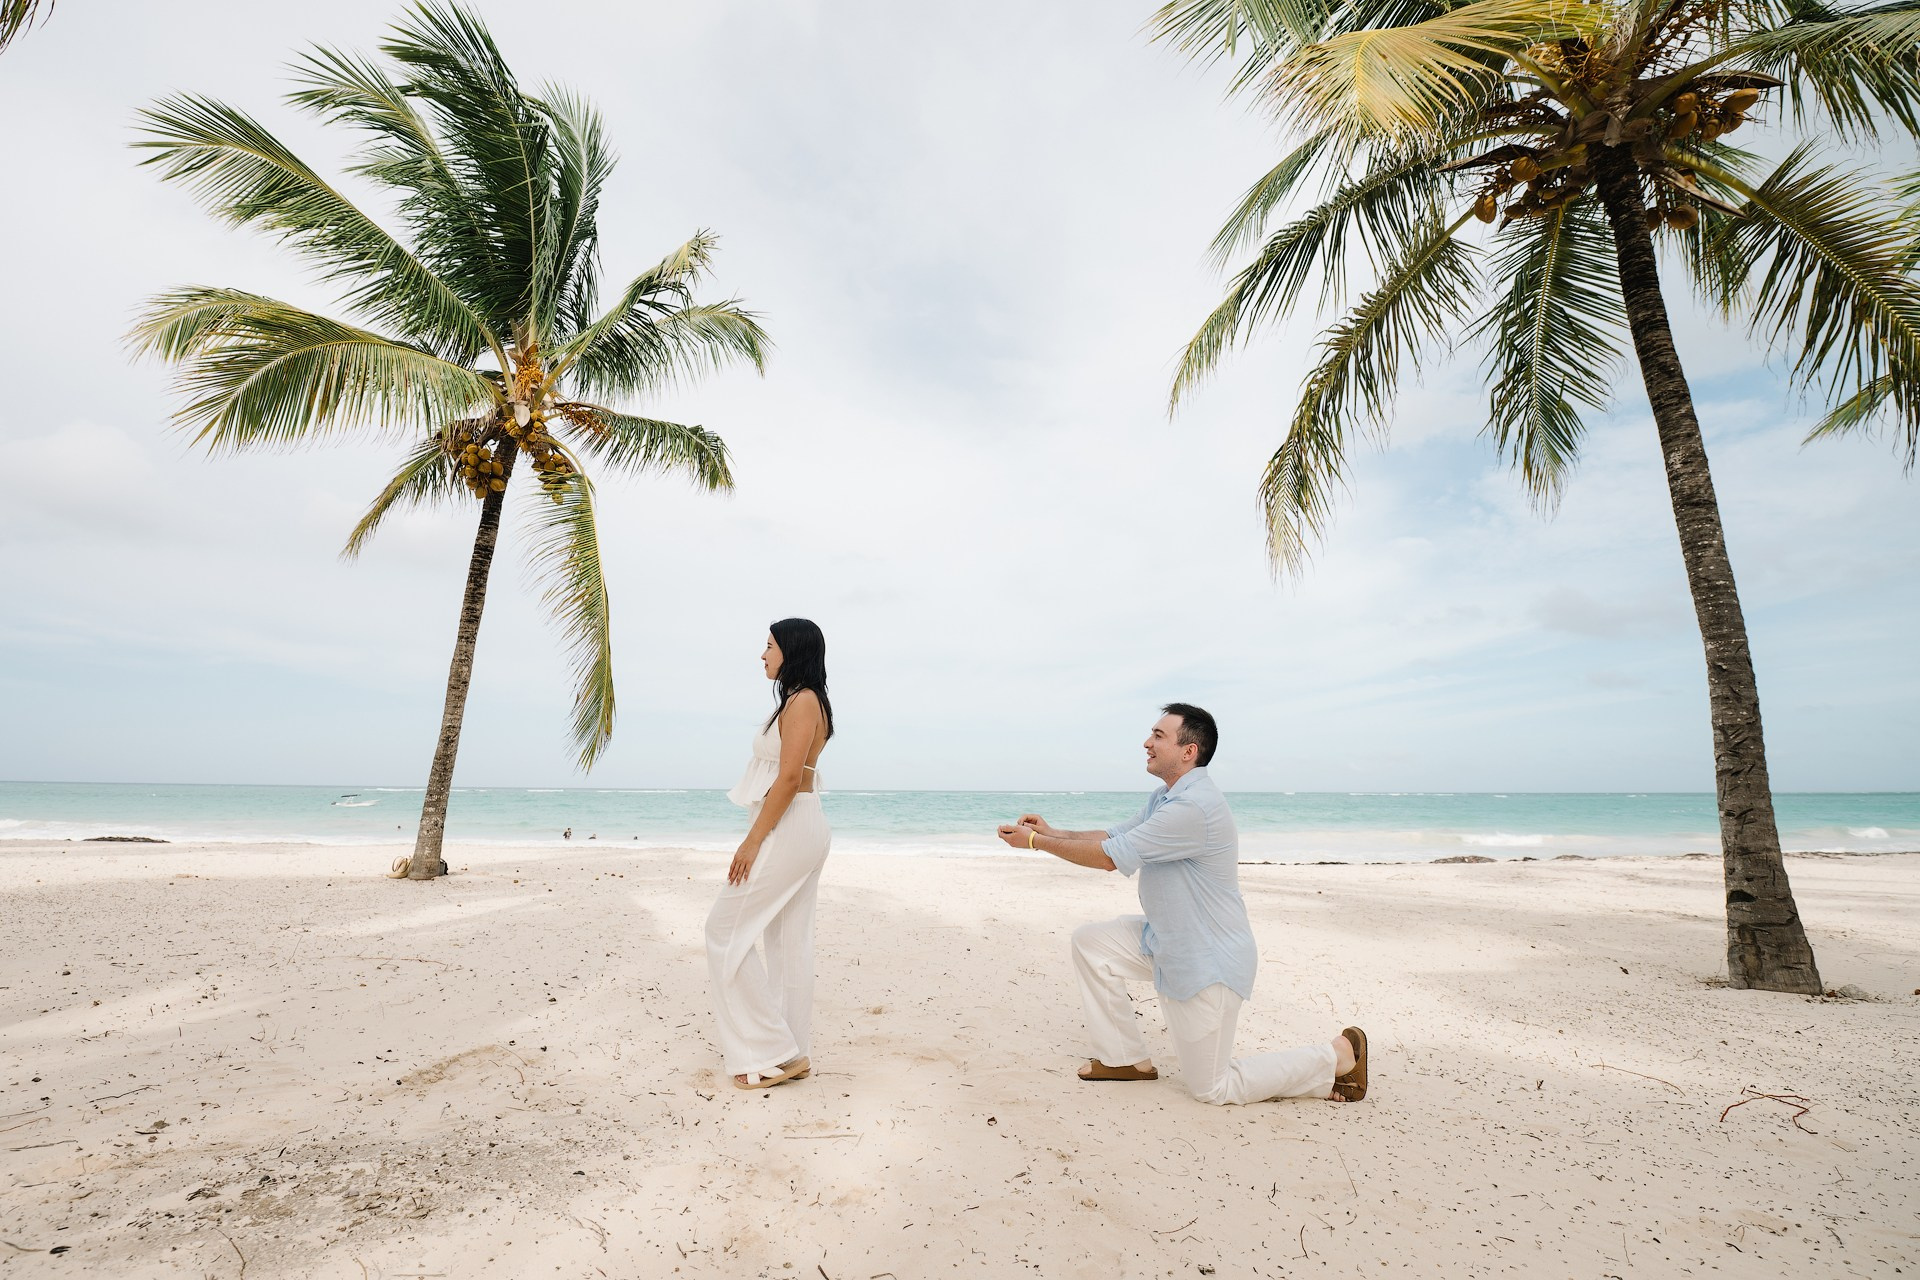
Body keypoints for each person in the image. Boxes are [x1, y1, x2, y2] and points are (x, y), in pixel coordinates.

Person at [996, 703, 1368, 1106]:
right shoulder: (1168, 796)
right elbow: (1113, 835)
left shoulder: (1194, 808)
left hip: (1206, 962)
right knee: (1091, 943)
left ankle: (1337, 1056)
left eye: (1158, 736)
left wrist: (1035, 843)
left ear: (1188, 752)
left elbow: (1109, 857)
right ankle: (1124, 1061)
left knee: (1212, 1087)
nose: (1146, 742)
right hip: (1166, 941)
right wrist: (1056, 831)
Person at [705, 618, 834, 1090]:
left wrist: (752, 840)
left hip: (790, 824)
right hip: (800, 822)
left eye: (769, 646)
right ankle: (788, 1053)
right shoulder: (803, 699)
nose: (762, 655)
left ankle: (771, 1050)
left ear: (792, 650)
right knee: (786, 942)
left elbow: (786, 779)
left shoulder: (802, 702)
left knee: (722, 931)